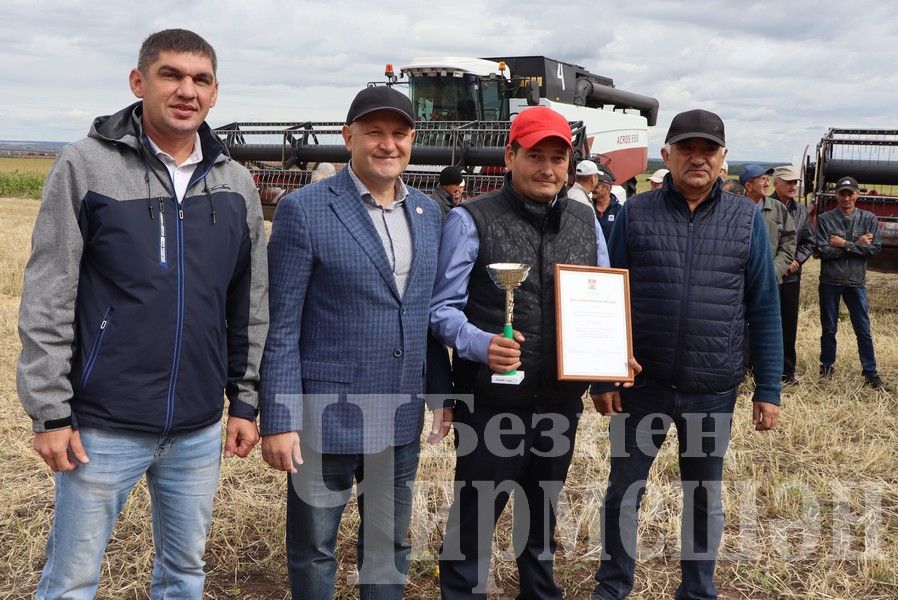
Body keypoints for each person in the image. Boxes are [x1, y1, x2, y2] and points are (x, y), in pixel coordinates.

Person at [16, 29, 268, 599]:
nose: (187, 90)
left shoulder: (235, 183)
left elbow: (249, 304)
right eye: (171, 75)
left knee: (183, 577)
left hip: (198, 429)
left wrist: (245, 400)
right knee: (72, 579)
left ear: (215, 92)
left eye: (200, 80)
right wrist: (50, 413)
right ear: (138, 82)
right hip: (102, 425)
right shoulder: (86, 165)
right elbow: (49, 292)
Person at [259, 85, 449, 600]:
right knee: (315, 547)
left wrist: (440, 394)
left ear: (412, 140)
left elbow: (425, 314)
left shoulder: (431, 214)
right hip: (327, 413)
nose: (388, 144)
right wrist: (279, 419)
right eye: (374, 133)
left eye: (399, 134)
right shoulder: (305, 210)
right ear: (348, 138)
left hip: (401, 411)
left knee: (388, 545)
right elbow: (282, 325)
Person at [591, 109, 783, 600]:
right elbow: (608, 299)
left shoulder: (745, 219)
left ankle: (697, 590)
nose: (698, 158)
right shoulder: (636, 213)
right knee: (623, 492)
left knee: (702, 498)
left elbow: (763, 305)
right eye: (687, 148)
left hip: (712, 390)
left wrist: (769, 387)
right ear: (667, 155)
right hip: (643, 386)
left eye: (709, 150)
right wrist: (606, 374)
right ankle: (613, 587)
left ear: (723, 159)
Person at [430, 105, 621, 600]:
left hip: (559, 401)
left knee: (542, 518)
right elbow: (441, 309)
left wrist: (609, 360)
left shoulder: (586, 220)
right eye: (537, 155)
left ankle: (539, 593)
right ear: (510, 155)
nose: (549, 168)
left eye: (559, 158)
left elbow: (598, 296)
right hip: (492, 403)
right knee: (474, 520)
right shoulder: (471, 219)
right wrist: (481, 344)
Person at [814, 176, 891, 390]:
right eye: (842, 193)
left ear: (858, 194)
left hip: (856, 282)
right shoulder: (825, 219)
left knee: (863, 329)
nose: (846, 197)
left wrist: (845, 244)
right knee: (829, 328)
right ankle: (827, 368)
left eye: (850, 193)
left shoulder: (869, 219)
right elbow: (821, 251)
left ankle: (870, 373)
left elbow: (874, 249)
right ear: (836, 195)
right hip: (830, 281)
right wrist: (857, 246)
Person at [771, 165, 815, 385]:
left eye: (795, 182)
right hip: (768, 276)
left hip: (791, 277)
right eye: (788, 182)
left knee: (788, 324)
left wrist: (796, 261)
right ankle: (758, 369)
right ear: (775, 182)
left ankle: (787, 372)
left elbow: (809, 241)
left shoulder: (801, 211)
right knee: (764, 322)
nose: (793, 186)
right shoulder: (764, 206)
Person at [740, 164, 796, 283]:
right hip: (740, 282)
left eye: (767, 179)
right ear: (749, 186)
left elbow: (789, 242)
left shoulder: (778, 208)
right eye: (762, 179)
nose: (767, 184)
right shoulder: (734, 209)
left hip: (770, 281)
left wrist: (774, 271)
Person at [592, 165, 623, 242]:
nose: (593, 189)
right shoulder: (588, 207)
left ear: (607, 189)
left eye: (596, 187)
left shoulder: (619, 210)